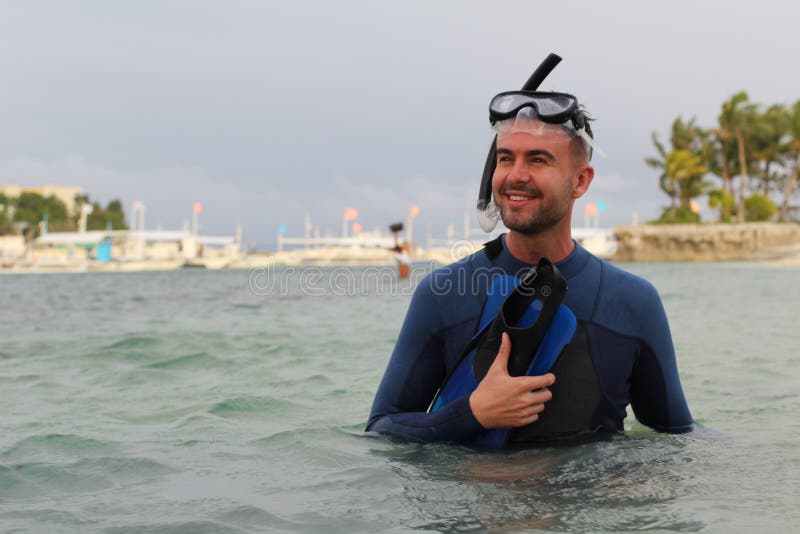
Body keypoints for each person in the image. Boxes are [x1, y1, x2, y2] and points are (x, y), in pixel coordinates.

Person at [366, 88, 693, 445]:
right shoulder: (442, 293)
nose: (516, 175)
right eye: (506, 159)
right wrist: (473, 413)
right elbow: (382, 430)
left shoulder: (633, 301)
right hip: (474, 500)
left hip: (587, 500)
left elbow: (677, 441)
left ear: (580, 180)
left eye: (538, 160)